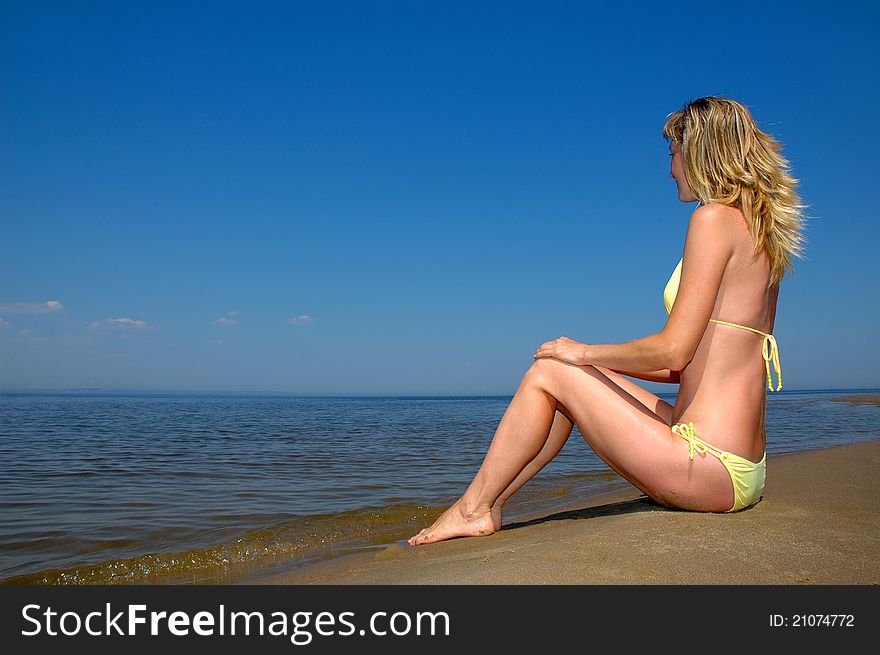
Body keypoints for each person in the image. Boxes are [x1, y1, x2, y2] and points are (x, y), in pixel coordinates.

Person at [408, 96, 806, 546]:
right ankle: (488, 505)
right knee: (568, 376)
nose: (670, 168)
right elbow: (685, 369)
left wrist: (581, 352)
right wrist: (592, 368)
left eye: (672, 154)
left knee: (551, 369)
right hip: (743, 469)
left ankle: (473, 509)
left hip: (708, 465)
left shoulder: (712, 220)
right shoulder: (762, 234)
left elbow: (673, 351)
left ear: (698, 151)